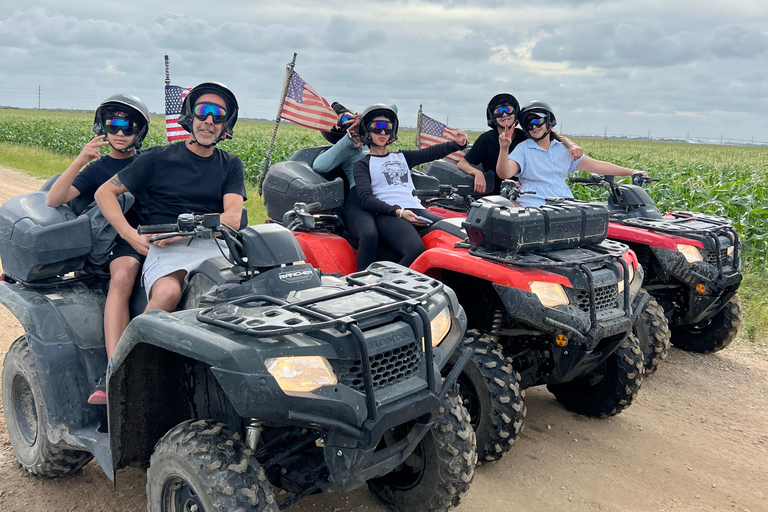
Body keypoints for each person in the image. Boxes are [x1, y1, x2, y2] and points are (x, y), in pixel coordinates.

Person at [96, 81, 246, 317]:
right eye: (202, 111)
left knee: (246, 294)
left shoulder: (230, 164)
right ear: (190, 116)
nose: (209, 120)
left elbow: (233, 218)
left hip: (214, 246)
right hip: (168, 248)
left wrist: (188, 230)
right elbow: (104, 192)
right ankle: (138, 352)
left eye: (218, 115)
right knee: (167, 293)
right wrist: (129, 234)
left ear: (225, 124)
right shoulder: (158, 158)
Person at [46, 93, 151, 405]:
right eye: (113, 125)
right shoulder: (96, 170)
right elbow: (55, 199)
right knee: (123, 277)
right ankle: (114, 369)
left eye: (128, 126)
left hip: (156, 236)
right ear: (102, 128)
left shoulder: (149, 163)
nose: (120, 133)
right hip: (118, 243)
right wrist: (82, 159)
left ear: (139, 131)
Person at [354, 104, 468, 268]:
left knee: (454, 234)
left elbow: (431, 153)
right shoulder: (363, 164)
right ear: (366, 130)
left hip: (416, 209)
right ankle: (388, 288)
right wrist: (399, 212)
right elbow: (365, 199)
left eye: (388, 127)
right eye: (377, 127)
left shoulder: (402, 157)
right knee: (415, 249)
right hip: (389, 214)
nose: (383, 132)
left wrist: (457, 144)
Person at [497, 100, 643, 208]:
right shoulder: (523, 149)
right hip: (533, 205)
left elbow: (597, 166)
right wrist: (504, 149)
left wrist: (630, 171)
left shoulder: (563, 150)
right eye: (529, 124)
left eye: (537, 120)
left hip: (565, 204)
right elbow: (505, 172)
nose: (534, 126)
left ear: (549, 122)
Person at [457, 93, 583, 195]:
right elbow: (463, 163)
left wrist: (572, 145)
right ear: (493, 117)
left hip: (524, 193)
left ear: (515, 114)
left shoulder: (524, 136)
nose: (505, 114)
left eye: (508, 110)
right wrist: (477, 173)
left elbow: (551, 136)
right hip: (494, 195)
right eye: (499, 111)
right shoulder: (487, 139)